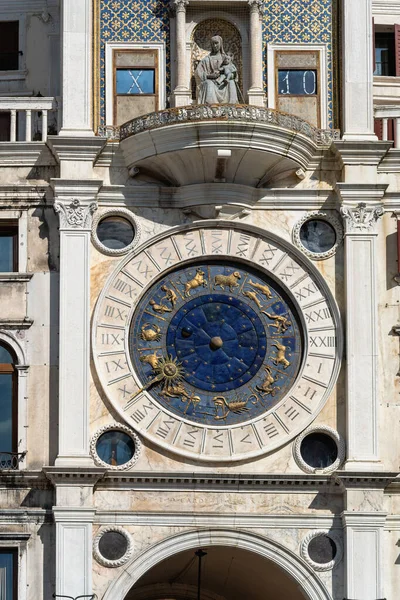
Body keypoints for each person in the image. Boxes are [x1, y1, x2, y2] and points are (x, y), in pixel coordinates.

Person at [196, 35, 239, 104]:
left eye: (216, 43)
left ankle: (232, 106)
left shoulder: (226, 58)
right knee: (208, 83)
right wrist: (208, 76)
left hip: (224, 81)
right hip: (211, 81)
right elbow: (198, 73)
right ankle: (212, 107)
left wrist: (227, 76)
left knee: (231, 82)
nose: (214, 45)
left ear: (221, 44)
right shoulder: (206, 60)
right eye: (213, 44)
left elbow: (233, 72)